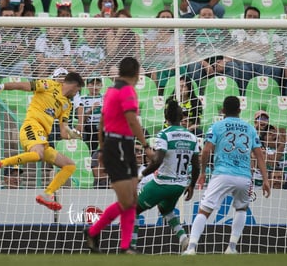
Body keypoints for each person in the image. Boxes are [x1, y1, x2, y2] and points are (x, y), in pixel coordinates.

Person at [0, 72, 85, 211]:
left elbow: (64, 132)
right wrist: (0, 87)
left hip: (41, 137)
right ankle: (1, 163)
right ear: (74, 86)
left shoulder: (67, 105)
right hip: (31, 126)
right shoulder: (49, 84)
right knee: (38, 155)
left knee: (69, 165)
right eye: (78, 90)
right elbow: (24, 86)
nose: (77, 93)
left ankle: (47, 195)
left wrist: (73, 134)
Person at [183, 96, 271, 255]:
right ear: (239, 110)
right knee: (242, 208)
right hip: (244, 176)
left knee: (204, 211)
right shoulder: (250, 128)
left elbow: (206, 150)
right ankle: (231, 247)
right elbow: (259, 155)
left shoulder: (217, 126)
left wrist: (203, 172)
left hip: (222, 174)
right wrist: (265, 179)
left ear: (223, 110)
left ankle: (191, 247)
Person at [83, 57, 153, 254]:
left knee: (132, 199)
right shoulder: (127, 91)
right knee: (126, 200)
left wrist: (102, 148)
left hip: (122, 145)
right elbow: (131, 120)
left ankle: (125, 246)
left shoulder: (112, 91)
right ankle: (93, 230)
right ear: (137, 73)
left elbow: (102, 121)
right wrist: (146, 145)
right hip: (119, 145)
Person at [131, 99, 200, 252]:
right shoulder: (192, 137)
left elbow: (157, 161)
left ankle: (131, 247)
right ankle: (183, 238)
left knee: (133, 209)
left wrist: (141, 175)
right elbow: (196, 166)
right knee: (165, 209)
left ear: (166, 117)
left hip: (163, 183)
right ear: (182, 117)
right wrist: (192, 185)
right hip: (180, 185)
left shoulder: (164, 135)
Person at [76, 77, 103, 153]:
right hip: (89, 127)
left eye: (98, 84)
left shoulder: (105, 98)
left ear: (101, 85)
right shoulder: (82, 99)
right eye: (92, 84)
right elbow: (81, 121)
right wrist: (90, 110)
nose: (95, 87)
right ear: (87, 85)